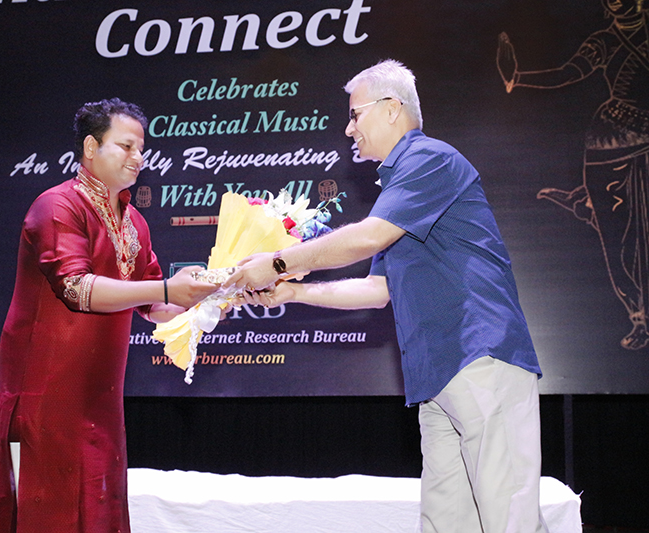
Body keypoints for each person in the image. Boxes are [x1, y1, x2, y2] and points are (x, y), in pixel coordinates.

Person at [228, 60, 547, 533]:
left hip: (480, 357)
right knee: (445, 523)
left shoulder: (429, 159)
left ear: (392, 109)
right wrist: (292, 292)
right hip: (438, 379)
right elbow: (377, 290)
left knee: (509, 520)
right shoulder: (401, 187)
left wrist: (278, 262)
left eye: (355, 114)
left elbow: (367, 237)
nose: (348, 128)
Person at [0, 98, 217, 533]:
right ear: (91, 147)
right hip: (44, 395)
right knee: (45, 514)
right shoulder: (56, 206)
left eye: (141, 149)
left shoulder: (134, 223)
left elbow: (153, 306)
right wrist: (166, 288)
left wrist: (210, 295)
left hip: (98, 401)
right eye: (126, 146)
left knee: (99, 512)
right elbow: (76, 288)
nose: (138, 157)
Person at [497, 1, 649, 349]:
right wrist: (517, 78)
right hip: (611, 139)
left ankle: (580, 204)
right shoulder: (604, 41)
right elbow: (568, 73)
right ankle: (639, 316)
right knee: (614, 232)